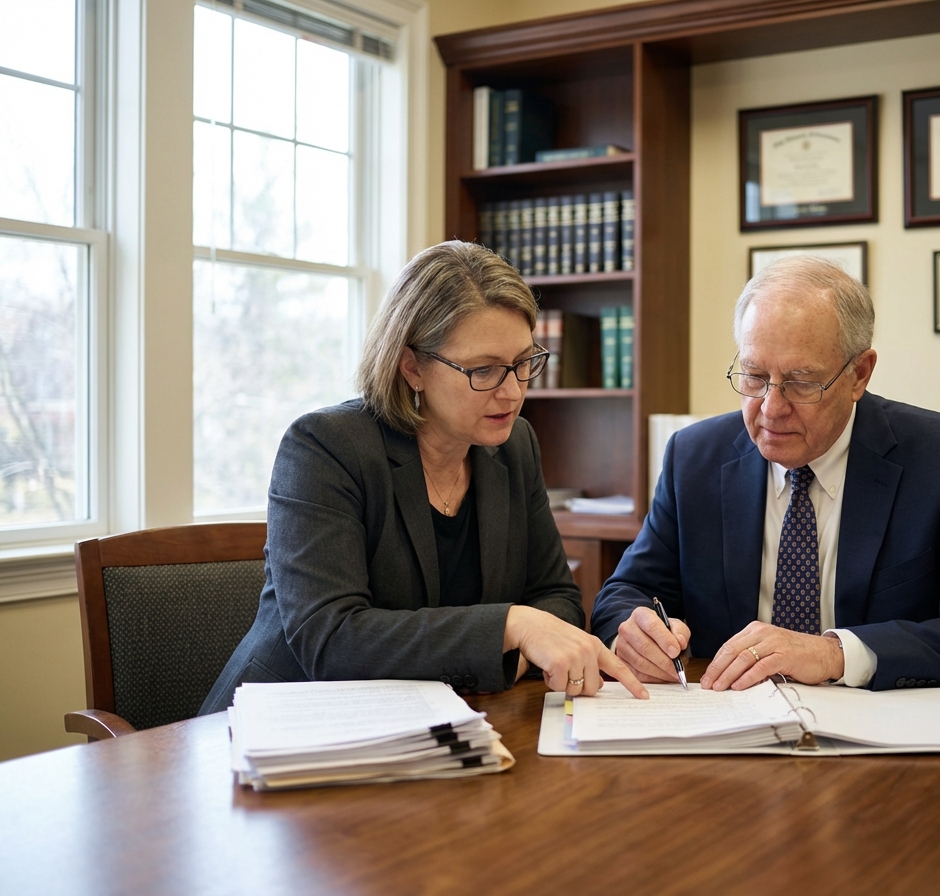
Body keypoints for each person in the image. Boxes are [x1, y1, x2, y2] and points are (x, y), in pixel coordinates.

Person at [202, 241, 647, 714]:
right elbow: (332, 641)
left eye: (523, 363)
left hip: (433, 722)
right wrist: (511, 628)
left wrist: (509, 647)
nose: (514, 391)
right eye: (485, 370)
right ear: (412, 366)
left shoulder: (515, 446)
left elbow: (556, 599)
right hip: (282, 725)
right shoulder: (325, 447)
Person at [590, 256, 940, 693]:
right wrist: (636, 632)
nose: (771, 407)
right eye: (753, 375)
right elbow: (626, 593)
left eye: (802, 382)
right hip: (727, 731)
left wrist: (833, 654)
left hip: (884, 741)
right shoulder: (695, 458)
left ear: (859, 374)